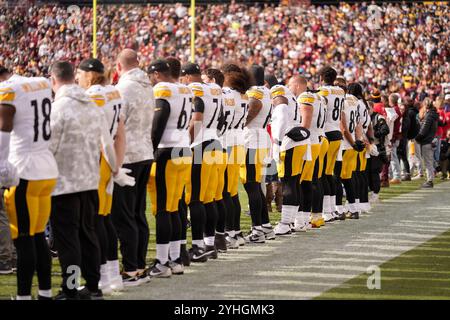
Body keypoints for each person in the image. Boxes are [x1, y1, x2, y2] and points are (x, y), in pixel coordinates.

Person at [48, 61, 120, 300]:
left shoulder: (58, 108)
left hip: (65, 181)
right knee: (88, 235)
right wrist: (115, 169)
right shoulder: (91, 104)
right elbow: (107, 141)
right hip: (90, 179)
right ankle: (93, 285)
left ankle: (70, 288)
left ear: (54, 80)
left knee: (68, 240)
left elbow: (50, 145)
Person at [0, 70, 58, 300]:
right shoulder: (39, 83)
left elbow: (3, 133)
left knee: (24, 239)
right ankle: (45, 293)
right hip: (46, 170)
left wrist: (2, 164)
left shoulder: (9, 91)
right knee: (36, 237)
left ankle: (23, 296)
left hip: (24, 172)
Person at [76, 58, 130, 293]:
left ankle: (100, 276)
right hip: (107, 161)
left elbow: (98, 134)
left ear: (89, 74)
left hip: (97, 159)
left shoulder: (94, 96)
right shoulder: (113, 93)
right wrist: (116, 164)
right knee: (104, 218)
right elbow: (120, 133)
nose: (77, 78)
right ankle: (111, 274)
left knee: (93, 220)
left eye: (79, 74)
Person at [112, 49, 154, 285]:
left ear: (119, 65)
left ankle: (130, 268)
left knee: (124, 214)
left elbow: (118, 122)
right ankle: (138, 265)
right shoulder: (147, 85)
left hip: (127, 155)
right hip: (145, 152)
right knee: (138, 213)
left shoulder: (123, 88)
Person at [147, 59, 192, 277]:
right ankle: (175, 259)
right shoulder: (184, 89)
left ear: (156, 74)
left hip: (167, 149)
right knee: (175, 206)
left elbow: (159, 121)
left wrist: (150, 150)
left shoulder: (162, 89)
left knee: (165, 208)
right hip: (184, 149)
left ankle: (162, 262)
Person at [180, 62, 223, 260]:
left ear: (187, 76)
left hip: (200, 144)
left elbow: (197, 118)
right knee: (209, 198)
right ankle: (209, 244)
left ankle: (198, 247)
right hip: (215, 142)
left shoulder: (195, 89)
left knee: (195, 198)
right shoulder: (215, 89)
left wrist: (187, 141)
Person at [271, 76, 311, 235]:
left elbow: (280, 115)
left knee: (288, 182)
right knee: (294, 182)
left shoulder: (279, 91)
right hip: (298, 141)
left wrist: (278, 142)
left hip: (289, 142)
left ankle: (286, 223)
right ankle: (291, 221)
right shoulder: (292, 96)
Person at [241, 64, 274, 243]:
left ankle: (257, 230)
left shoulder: (255, 93)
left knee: (251, 185)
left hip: (252, 139)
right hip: (261, 138)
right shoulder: (267, 91)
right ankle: (265, 225)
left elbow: (251, 113)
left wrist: (237, 123)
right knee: (255, 185)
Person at [221, 64, 251, 247]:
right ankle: (236, 231)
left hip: (226, 142)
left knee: (224, 191)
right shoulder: (243, 96)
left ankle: (228, 233)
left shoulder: (225, 94)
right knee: (231, 191)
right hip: (238, 142)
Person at [202, 68, 229, 253]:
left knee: (204, 197)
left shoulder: (205, 92)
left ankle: (206, 242)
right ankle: (220, 237)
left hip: (205, 144)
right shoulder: (226, 95)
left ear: (211, 79)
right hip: (222, 144)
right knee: (218, 196)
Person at [294, 77, 328, 228]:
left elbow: (305, 123)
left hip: (311, 140)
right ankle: (316, 216)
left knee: (304, 181)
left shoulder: (305, 97)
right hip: (320, 138)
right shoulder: (319, 97)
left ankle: (302, 218)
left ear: (297, 85)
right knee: (315, 179)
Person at [318, 66, 346, 224]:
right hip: (337, 132)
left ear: (321, 78)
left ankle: (327, 211)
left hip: (327, 133)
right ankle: (330, 210)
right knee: (329, 173)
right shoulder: (340, 91)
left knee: (323, 173)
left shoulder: (323, 92)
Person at [334, 78, 364, 220]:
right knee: (348, 178)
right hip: (352, 144)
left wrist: (352, 143)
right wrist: (357, 141)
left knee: (337, 178)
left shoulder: (342, 102)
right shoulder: (354, 101)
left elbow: (343, 127)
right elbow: (358, 124)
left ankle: (339, 209)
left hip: (345, 145)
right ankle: (353, 209)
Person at [368, 101, 390, 203]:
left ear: (372, 107)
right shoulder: (364, 116)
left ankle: (375, 194)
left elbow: (385, 129)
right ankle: (372, 192)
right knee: (367, 172)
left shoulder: (378, 117)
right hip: (368, 147)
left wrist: (374, 134)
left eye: (368, 108)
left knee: (374, 172)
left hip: (376, 147)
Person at [415, 98, 439, 188]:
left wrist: (417, 138)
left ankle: (429, 181)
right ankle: (429, 180)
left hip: (427, 141)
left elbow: (424, 129)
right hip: (430, 140)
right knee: (429, 162)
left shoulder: (429, 115)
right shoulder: (434, 114)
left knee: (428, 162)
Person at [388, 93, 403, 184]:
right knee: (393, 156)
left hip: (394, 136)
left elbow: (392, 125)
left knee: (393, 157)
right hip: (397, 135)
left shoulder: (395, 110)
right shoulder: (397, 109)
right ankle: (395, 175)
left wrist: (392, 136)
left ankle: (397, 176)